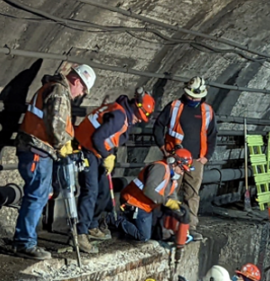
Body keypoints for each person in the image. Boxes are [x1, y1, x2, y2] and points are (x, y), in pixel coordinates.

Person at [11, 64, 96, 260]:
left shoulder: (53, 88)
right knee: (37, 194)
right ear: (76, 81)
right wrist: (64, 145)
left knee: (40, 193)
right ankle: (25, 243)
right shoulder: (59, 92)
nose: (81, 94)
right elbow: (56, 125)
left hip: (38, 149)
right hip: (37, 149)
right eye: (83, 89)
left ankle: (25, 240)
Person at [73, 89, 156, 253]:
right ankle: (79, 233)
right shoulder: (120, 116)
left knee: (103, 192)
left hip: (98, 152)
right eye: (139, 116)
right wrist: (107, 156)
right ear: (135, 108)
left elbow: (109, 138)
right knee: (90, 191)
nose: (139, 120)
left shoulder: (124, 113)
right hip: (87, 150)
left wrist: (108, 154)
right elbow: (98, 137)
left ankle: (92, 225)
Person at [153, 76, 218, 240]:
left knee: (192, 194)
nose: (192, 99)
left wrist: (206, 157)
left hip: (196, 160)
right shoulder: (175, 106)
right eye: (189, 95)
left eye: (195, 96)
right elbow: (158, 126)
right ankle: (167, 226)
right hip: (175, 160)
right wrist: (164, 149)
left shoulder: (208, 111)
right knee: (169, 192)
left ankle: (189, 227)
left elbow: (212, 135)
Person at [115, 149, 192, 242]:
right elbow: (149, 191)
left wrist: (180, 215)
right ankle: (114, 219)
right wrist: (167, 202)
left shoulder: (171, 178)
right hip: (135, 202)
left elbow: (171, 196)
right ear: (174, 163)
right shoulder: (159, 168)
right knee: (144, 236)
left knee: (157, 231)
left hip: (148, 205)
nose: (182, 173)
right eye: (182, 169)